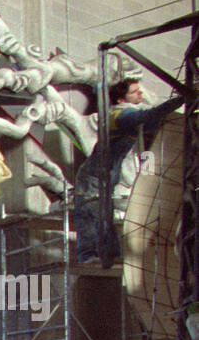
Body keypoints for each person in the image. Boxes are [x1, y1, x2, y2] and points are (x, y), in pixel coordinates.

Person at [73, 78, 183, 265]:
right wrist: (180, 100)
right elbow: (149, 116)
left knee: (102, 213)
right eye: (134, 92)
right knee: (94, 213)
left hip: (106, 172)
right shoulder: (121, 115)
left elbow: (151, 123)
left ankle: (110, 255)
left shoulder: (126, 116)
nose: (140, 94)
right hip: (95, 174)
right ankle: (90, 255)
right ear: (121, 99)